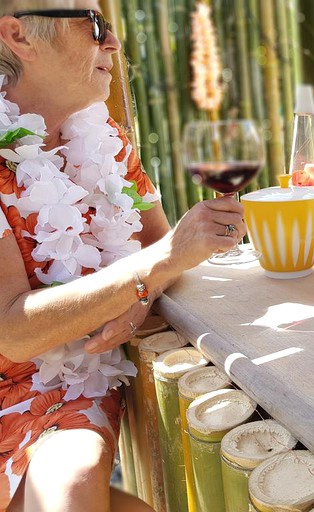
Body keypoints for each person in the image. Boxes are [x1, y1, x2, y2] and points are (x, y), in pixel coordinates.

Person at [0, 2, 247, 511]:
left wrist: (142, 290)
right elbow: (14, 331)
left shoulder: (105, 139)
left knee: (73, 481)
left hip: (67, 390)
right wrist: (146, 273)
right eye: (93, 26)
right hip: (16, 384)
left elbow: (162, 255)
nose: (112, 42)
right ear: (19, 36)